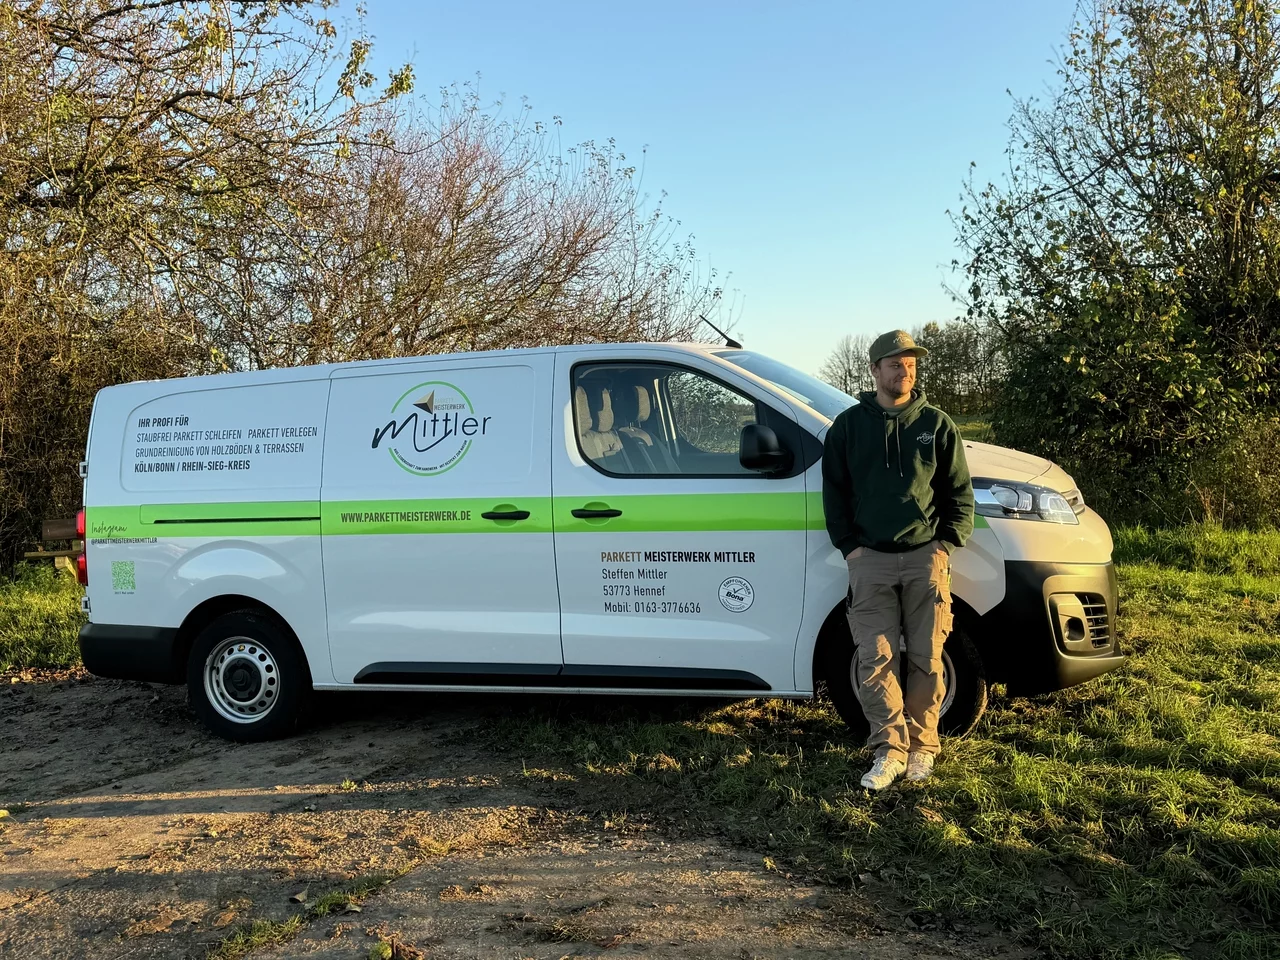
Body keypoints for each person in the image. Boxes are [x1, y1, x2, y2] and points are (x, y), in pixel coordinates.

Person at [821, 330, 975, 790]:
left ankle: (923, 748)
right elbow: (834, 494)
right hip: (870, 560)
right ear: (874, 370)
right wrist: (851, 548)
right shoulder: (848, 427)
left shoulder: (937, 424)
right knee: (875, 659)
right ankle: (888, 751)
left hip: (925, 557)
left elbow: (959, 493)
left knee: (927, 657)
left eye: (910, 363)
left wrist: (945, 545)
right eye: (895, 364)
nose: (905, 371)